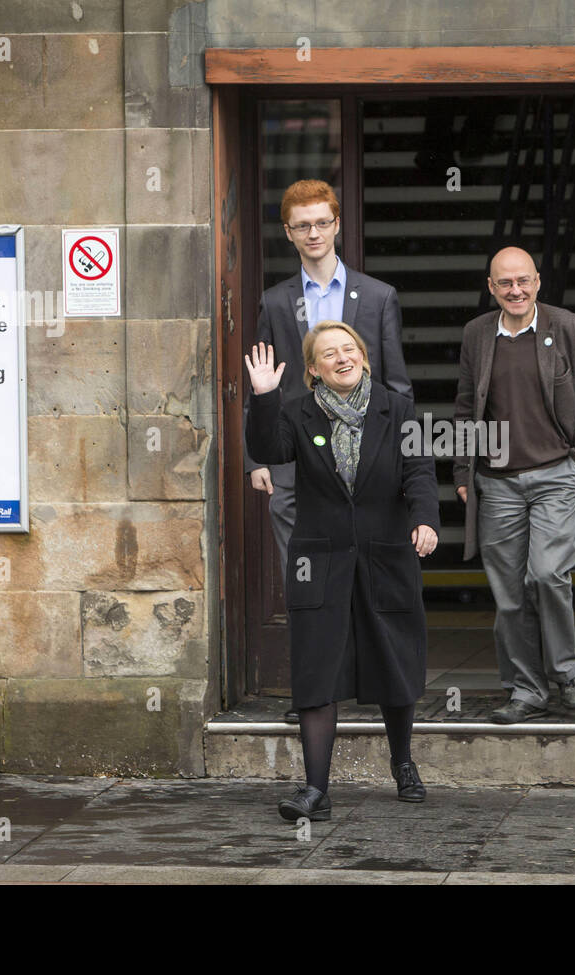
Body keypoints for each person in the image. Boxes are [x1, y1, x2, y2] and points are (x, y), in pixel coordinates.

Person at [245, 321, 438, 822]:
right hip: (320, 559)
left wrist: (424, 519)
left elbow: (419, 470)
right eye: (329, 354)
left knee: (393, 660)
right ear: (313, 369)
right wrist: (264, 397)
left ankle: (403, 763)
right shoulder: (297, 411)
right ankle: (315, 789)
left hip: (386, 553)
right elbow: (271, 450)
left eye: (349, 349)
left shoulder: (397, 409)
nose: (342, 358)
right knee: (316, 667)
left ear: (364, 357)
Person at [244, 179, 411, 722]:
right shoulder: (275, 301)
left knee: (371, 578)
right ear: (288, 233)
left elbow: (398, 385)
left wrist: (404, 459)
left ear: (337, 224)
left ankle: (376, 682)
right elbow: (263, 383)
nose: (313, 233)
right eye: (301, 225)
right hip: (297, 461)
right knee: (307, 582)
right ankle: (314, 693)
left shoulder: (379, 296)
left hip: (367, 466)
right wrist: (258, 460)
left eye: (322, 222)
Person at [452, 247, 575, 724]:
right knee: (508, 594)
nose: (515, 290)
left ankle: (565, 672)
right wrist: (464, 471)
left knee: (546, 574)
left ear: (538, 282)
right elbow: (466, 406)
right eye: (505, 283)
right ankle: (526, 689)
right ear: (491, 288)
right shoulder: (477, 335)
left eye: (523, 281)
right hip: (497, 483)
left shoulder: (573, 331)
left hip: (555, 475)